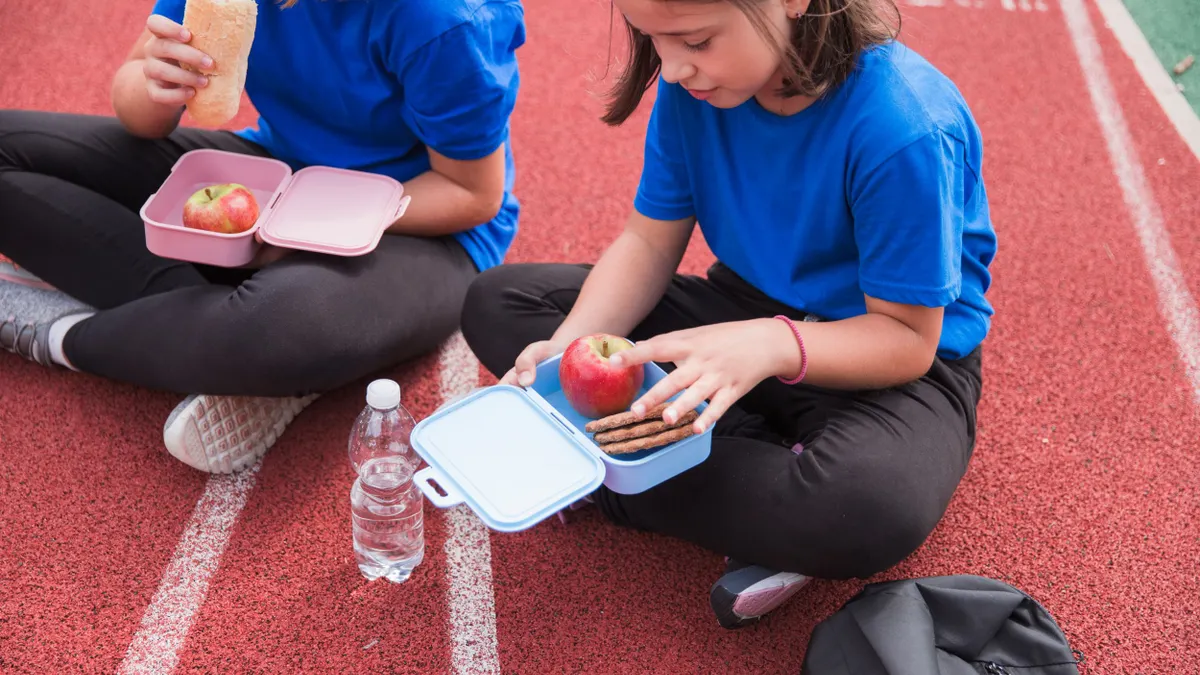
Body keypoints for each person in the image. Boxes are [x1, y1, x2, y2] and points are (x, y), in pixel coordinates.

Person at [460, 0, 994, 629]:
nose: (675, 68)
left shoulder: (904, 126)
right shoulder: (698, 88)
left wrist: (767, 345)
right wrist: (573, 344)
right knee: (501, 304)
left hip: (884, 363)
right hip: (739, 309)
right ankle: (740, 488)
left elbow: (906, 340)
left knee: (868, 507)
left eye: (697, 41)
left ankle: (624, 472)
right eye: (655, 41)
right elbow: (649, 242)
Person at [0, 0, 525, 473]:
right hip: (278, 172)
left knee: (281, 325)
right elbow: (137, 109)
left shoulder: (442, 18)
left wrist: (305, 227)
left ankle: (61, 332)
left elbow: (471, 193)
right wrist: (155, 86)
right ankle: (224, 336)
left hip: (424, 228)